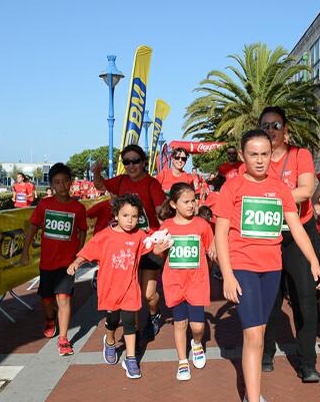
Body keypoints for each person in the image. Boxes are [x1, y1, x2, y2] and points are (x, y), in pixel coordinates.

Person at [213, 129, 320, 402]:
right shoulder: (232, 187)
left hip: (271, 269)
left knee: (261, 336)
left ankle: (253, 394)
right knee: (252, 338)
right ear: (243, 155)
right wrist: (229, 274)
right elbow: (220, 234)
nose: (260, 160)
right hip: (244, 269)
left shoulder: (280, 188)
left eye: (264, 154)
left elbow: (297, 228)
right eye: (254, 154)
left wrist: (314, 262)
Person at [254, 106, 320, 382]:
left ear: (286, 130)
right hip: (268, 235)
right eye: (266, 126)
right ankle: (266, 352)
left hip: (299, 233)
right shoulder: (257, 159)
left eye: (276, 125)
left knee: (305, 299)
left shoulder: (299, 155)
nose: (271, 130)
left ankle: (307, 362)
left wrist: (270, 195)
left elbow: (306, 190)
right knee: (269, 299)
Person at [67, 195, 168, 379]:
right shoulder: (103, 237)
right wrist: (77, 262)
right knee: (112, 321)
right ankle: (110, 341)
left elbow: (152, 247)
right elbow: (88, 252)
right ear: (116, 215)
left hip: (130, 288)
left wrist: (162, 246)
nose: (130, 220)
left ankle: (131, 359)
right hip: (110, 290)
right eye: (125, 215)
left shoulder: (139, 236)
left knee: (129, 322)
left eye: (134, 216)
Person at [92, 145, 166, 340]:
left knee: (149, 294)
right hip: (127, 245)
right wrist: (96, 172)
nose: (131, 165)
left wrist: (168, 220)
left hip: (150, 244)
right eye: (127, 162)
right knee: (130, 294)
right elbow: (100, 186)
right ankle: (133, 334)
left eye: (135, 161)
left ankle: (154, 314)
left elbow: (162, 212)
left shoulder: (152, 184)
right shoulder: (121, 180)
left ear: (143, 162)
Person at [20, 163, 87, 356]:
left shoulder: (78, 208)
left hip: (67, 264)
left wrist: (79, 253)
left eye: (66, 181)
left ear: (71, 183)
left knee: (64, 298)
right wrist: (25, 252)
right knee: (47, 300)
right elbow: (32, 227)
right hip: (47, 263)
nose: (62, 186)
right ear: (52, 185)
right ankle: (50, 319)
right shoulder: (44, 205)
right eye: (57, 182)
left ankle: (64, 339)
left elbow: (82, 230)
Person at [157, 182, 216, 381]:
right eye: (186, 202)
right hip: (174, 283)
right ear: (174, 204)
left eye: (193, 200)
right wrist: (159, 248)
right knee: (180, 324)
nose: (191, 205)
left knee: (198, 327)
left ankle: (197, 345)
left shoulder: (202, 225)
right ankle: (182, 361)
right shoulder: (166, 226)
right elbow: (156, 250)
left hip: (197, 283)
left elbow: (212, 250)